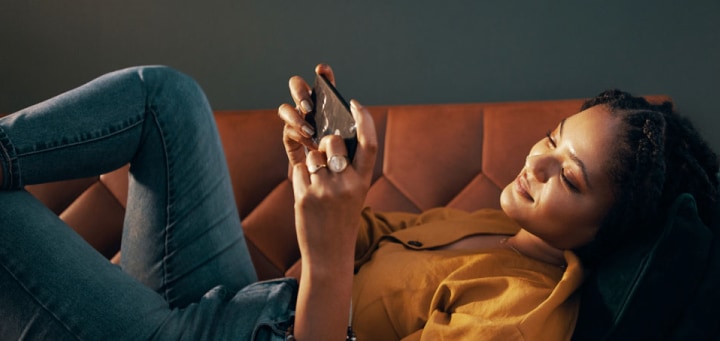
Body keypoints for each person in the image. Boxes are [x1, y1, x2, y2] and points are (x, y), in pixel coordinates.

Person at [0, 64, 717, 340]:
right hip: (244, 299)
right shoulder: (497, 224)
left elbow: (339, 257)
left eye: (569, 176)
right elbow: (364, 235)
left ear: (608, 227)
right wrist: (330, 169)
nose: (537, 160)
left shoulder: (525, 315)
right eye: (555, 138)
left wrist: (327, 245)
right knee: (170, 97)